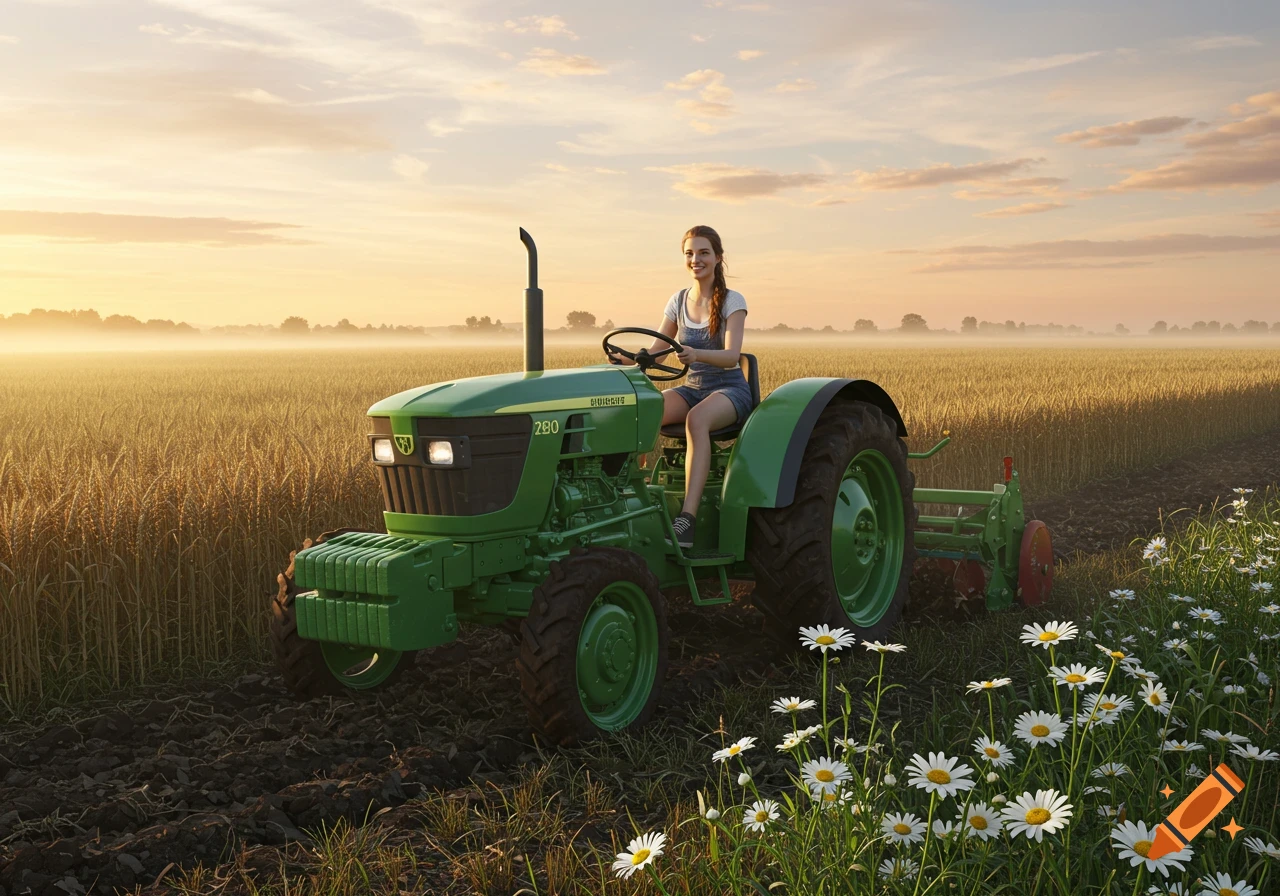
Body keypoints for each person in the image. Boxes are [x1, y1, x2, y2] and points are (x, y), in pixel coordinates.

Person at [608, 225, 749, 548]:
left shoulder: (731, 301)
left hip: (728, 390)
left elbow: (731, 357)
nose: (695, 259)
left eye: (703, 253)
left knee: (696, 420)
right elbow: (656, 351)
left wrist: (696, 353)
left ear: (717, 258)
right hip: (693, 387)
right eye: (689, 253)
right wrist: (627, 360)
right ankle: (628, 497)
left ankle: (687, 518)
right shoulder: (678, 300)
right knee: (644, 412)